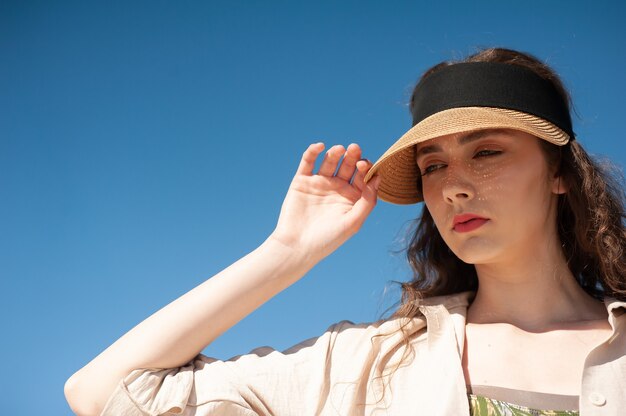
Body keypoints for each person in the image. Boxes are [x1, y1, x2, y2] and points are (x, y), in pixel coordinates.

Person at [64, 48, 626, 416]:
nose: (454, 186)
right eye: (434, 165)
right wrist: (286, 252)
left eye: (486, 152)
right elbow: (102, 393)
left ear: (558, 173)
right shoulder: (368, 365)